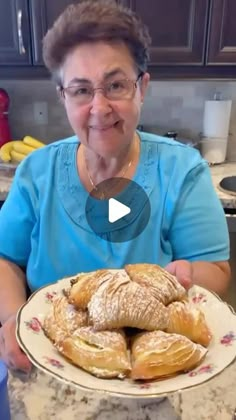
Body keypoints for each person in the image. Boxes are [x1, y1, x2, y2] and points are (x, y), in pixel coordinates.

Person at [0, 0, 230, 374]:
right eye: (81, 90)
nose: (99, 107)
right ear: (63, 97)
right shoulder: (36, 172)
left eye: (115, 85)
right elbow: (5, 258)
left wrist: (182, 275)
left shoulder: (182, 170)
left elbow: (217, 270)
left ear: (142, 87)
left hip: (151, 372)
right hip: (48, 361)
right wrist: (14, 320)